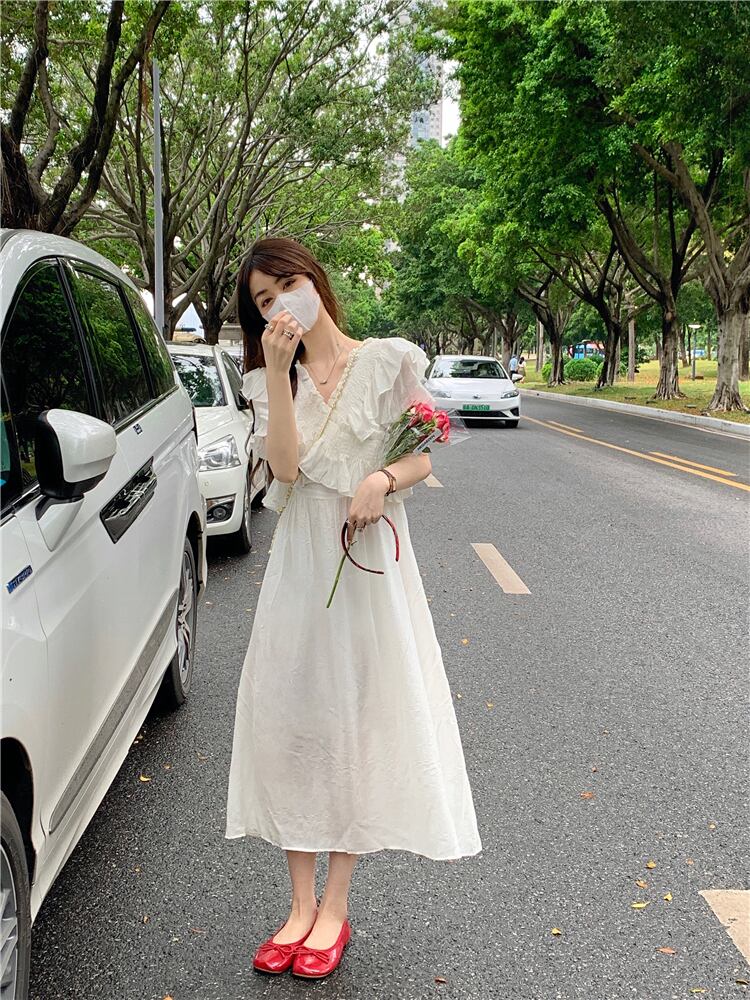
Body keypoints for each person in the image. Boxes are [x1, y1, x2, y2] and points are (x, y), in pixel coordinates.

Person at [225, 237, 482, 981]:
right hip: (302, 566)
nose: (279, 306)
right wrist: (279, 376)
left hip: (369, 566)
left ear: (314, 278)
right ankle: (298, 904)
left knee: (355, 725)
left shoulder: (387, 360)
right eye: (264, 301)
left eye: (286, 285)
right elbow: (284, 470)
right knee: (294, 723)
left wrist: (382, 479)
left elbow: (424, 452)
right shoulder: (267, 379)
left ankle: (334, 906)